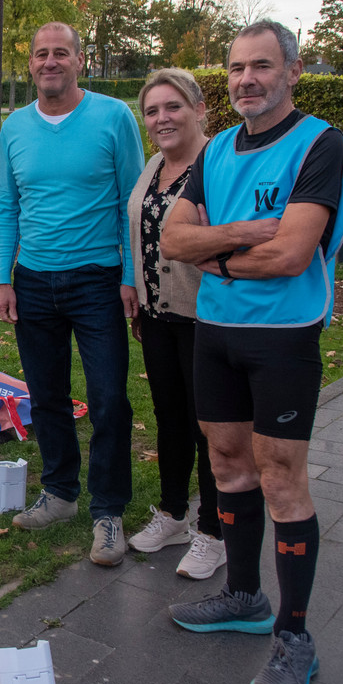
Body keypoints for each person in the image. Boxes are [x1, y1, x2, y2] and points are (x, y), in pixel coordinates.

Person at [161, 20, 343, 684]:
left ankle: (294, 638)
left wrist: (210, 251)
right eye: (238, 67)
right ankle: (244, 597)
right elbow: (170, 239)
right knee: (226, 467)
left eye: (263, 66)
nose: (248, 78)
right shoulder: (215, 151)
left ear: (292, 72)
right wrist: (239, 236)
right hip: (215, 332)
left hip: (284, 337)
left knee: (281, 478)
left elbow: (292, 255)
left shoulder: (320, 145)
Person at [0, 22, 143, 566]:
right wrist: (1, 278)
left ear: (80, 60)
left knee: (108, 400)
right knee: (47, 397)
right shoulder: (15, 127)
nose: (50, 61)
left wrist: (132, 277)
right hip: (33, 281)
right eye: (41, 54)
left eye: (61, 53)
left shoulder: (113, 117)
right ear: (30, 64)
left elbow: (135, 200)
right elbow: (6, 206)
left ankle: (108, 512)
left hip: (98, 281)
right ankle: (59, 495)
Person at [125, 68, 225, 580]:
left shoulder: (219, 162)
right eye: (153, 110)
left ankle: (214, 531)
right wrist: (137, 291)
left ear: (199, 109)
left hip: (206, 316)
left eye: (173, 107)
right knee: (169, 417)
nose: (162, 118)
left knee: (209, 425)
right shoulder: (153, 166)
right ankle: (173, 514)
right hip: (157, 315)